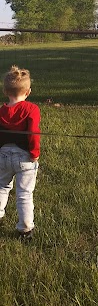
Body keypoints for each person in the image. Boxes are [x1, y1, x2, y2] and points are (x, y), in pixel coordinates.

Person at [0, 65, 40, 241]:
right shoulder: (31, 109)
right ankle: (25, 229)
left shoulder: (1, 111)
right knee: (24, 194)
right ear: (28, 91)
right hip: (25, 157)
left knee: (1, 187)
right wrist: (35, 153)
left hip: (2, 155)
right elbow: (32, 133)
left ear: (5, 91)